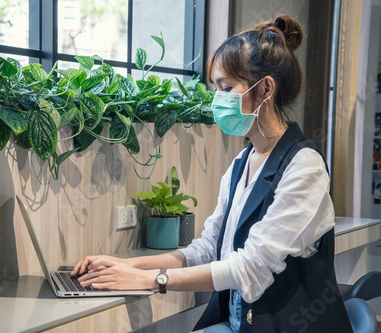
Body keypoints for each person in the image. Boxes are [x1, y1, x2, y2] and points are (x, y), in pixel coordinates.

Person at [72, 14, 352, 333]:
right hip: (238, 323)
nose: (218, 100)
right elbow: (208, 249)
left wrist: (152, 279)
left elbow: (250, 266)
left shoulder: (304, 165)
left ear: (265, 89)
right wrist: (125, 265)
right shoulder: (240, 165)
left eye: (226, 87)